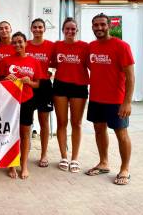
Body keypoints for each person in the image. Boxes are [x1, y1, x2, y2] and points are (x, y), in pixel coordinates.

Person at [85, 13, 135, 185]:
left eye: (102, 25)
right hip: (96, 98)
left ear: (109, 26)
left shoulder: (121, 46)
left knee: (121, 133)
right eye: (96, 25)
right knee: (99, 130)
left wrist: (127, 102)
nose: (99, 28)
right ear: (92, 27)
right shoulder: (91, 47)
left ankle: (125, 169)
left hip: (116, 100)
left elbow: (130, 76)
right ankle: (104, 162)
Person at [0, 32, 41, 179]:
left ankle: (23, 165)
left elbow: (37, 84)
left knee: (24, 134)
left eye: (20, 42)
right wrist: (6, 79)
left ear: (25, 43)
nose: (17, 45)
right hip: (10, 102)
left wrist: (29, 82)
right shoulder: (5, 61)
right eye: (15, 42)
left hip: (27, 101)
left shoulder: (34, 61)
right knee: (11, 134)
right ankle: (11, 165)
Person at [53, 18, 89, 173]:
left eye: (73, 29)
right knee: (61, 123)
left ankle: (75, 158)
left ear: (77, 30)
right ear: (63, 30)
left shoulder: (84, 47)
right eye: (67, 29)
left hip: (79, 87)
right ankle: (64, 156)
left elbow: (94, 65)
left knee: (77, 123)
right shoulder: (57, 46)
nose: (70, 31)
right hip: (60, 85)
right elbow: (50, 63)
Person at [26, 18, 55, 168]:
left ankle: (44, 154)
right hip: (29, 85)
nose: (37, 30)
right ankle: (25, 150)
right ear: (31, 29)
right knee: (26, 122)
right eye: (35, 27)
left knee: (44, 121)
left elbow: (57, 63)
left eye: (40, 27)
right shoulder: (25, 45)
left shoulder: (51, 46)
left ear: (44, 29)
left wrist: (50, 72)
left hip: (44, 86)